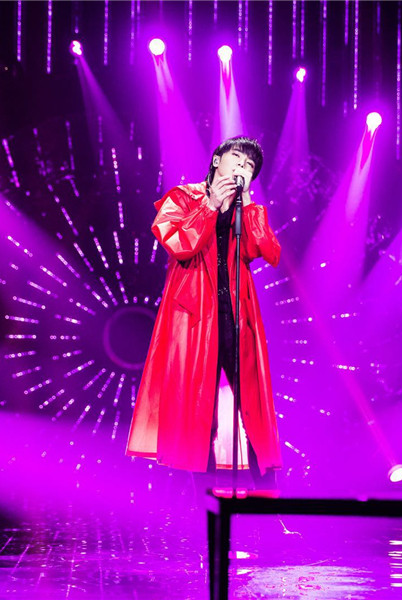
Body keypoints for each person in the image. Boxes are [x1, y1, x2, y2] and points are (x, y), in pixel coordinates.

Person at [126, 136, 282, 490]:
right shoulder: (182, 198)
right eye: (237, 158)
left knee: (254, 408)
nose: (242, 167)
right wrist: (211, 204)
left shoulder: (246, 209)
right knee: (199, 411)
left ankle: (269, 502)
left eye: (250, 166)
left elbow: (268, 251)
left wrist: (248, 207)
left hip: (237, 314)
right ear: (216, 161)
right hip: (195, 314)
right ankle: (206, 505)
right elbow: (180, 245)